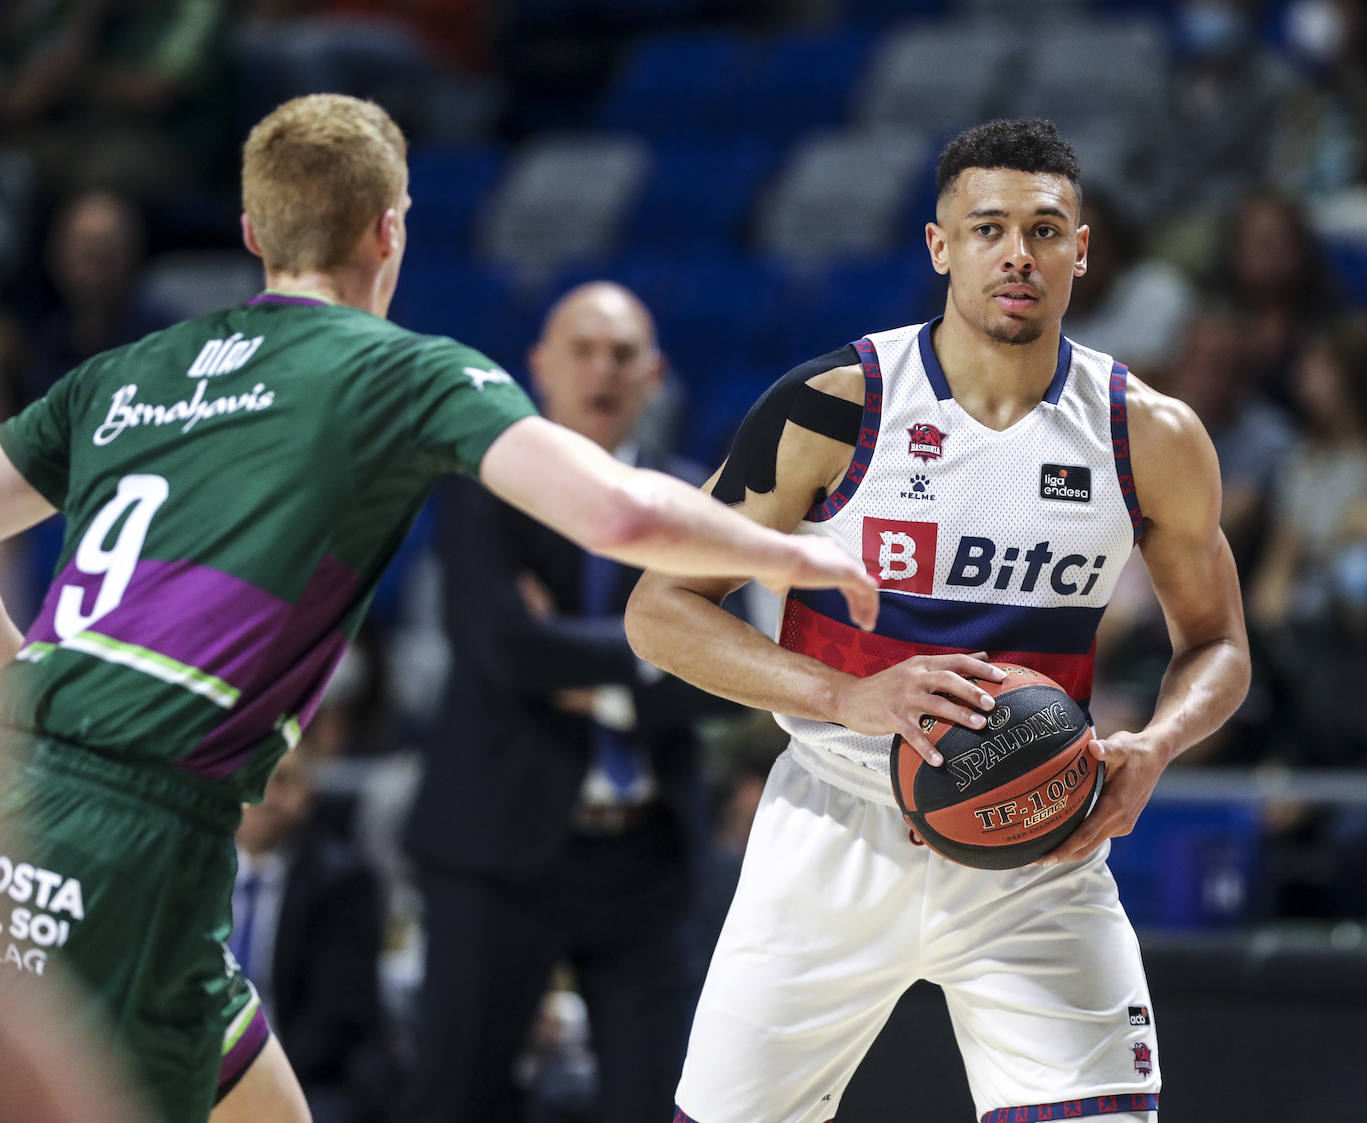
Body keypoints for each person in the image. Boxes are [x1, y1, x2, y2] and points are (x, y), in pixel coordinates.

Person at [0, 93, 877, 1123]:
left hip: (94, 814)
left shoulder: (125, 372)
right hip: (131, 833)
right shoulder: (399, 372)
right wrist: (787, 550)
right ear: (390, 229)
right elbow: (617, 510)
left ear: (251, 232)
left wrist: (23, 681)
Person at [626, 118, 1251, 1123]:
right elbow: (659, 610)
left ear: (1082, 252)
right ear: (940, 246)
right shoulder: (834, 406)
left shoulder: (1151, 435)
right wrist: (847, 695)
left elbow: (1218, 644)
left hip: (1038, 837)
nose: (1018, 254)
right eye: (989, 227)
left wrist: (1160, 742)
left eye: (1046, 230)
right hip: (836, 822)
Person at [401, 281, 738, 1123]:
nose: (602, 370)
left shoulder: (697, 503)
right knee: (457, 1101)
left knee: (660, 1105)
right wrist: (657, 653)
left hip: (648, 862)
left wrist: (588, 677)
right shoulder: (488, 486)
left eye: (623, 354)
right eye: (582, 351)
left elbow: (725, 678)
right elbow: (506, 648)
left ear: (654, 374)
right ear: (539, 367)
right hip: (496, 854)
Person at [232, 744, 398, 1123]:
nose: (265, 796)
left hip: (300, 1074)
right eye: (253, 778)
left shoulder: (344, 882)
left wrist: (255, 1078)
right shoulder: (188, 873)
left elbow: (336, 1015)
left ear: (310, 794)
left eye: (284, 781)